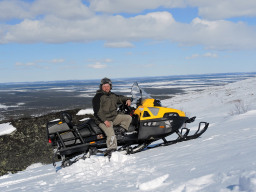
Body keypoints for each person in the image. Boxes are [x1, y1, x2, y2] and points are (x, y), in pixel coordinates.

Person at [92, 77, 132, 155]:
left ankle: (121, 131)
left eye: (107, 86)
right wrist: (105, 121)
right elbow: (98, 111)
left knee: (128, 117)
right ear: (101, 87)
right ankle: (112, 149)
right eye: (104, 86)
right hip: (102, 119)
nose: (106, 88)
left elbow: (120, 98)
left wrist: (128, 99)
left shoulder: (112, 95)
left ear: (110, 86)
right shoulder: (98, 97)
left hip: (114, 117)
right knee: (110, 133)